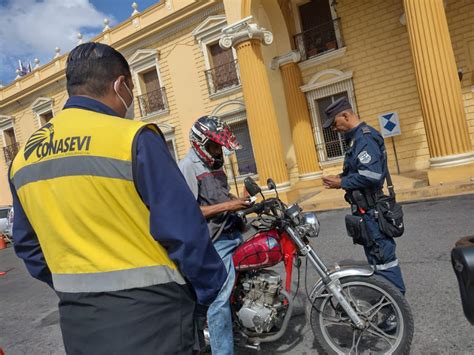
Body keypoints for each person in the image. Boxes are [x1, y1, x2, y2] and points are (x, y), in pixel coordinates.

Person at [9, 42, 227, 354]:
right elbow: (185, 231)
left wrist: (76, 288)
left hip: (80, 323)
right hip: (156, 318)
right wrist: (207, 290)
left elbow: (29, 247)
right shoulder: (133, 138)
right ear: (120, 84)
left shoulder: (23, 161)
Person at [321, 97, 406, 331]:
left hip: (374, 212)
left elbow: (371, 176)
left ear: (346, 116)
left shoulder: (365, 138)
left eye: (335, 122)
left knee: (385, 260)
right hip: (365, 212)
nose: (335, 128)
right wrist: (341, 178)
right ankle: (386, 303)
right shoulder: (355, 141)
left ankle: (396, 312)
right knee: (376, 262)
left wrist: (341, 182)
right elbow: (358, 171)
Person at [179, 116, 251, 355]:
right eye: (214, 145)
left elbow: (220, 196)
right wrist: (229, 207)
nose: (218, 150)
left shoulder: (215, 165)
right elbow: (189, 211)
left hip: (231, 231)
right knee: (220, 299)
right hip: (214, 241)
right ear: (200, 143)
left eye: (219, 146)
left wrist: (239, 202)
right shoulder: (188, 167)